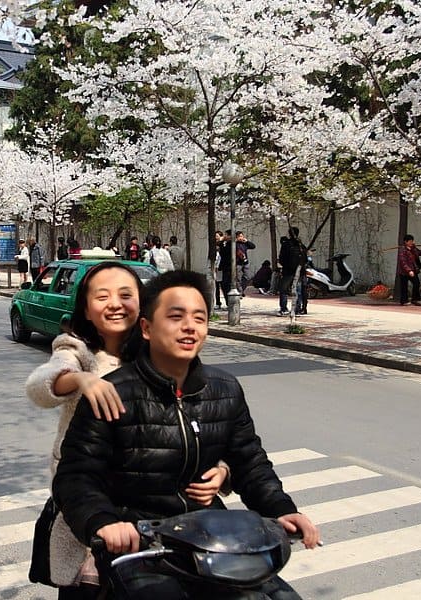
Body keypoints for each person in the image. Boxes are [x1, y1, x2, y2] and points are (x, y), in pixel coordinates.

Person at [53, 270, 320, 599]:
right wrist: (103, 521)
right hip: (139, 545)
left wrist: (281, 509)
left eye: (199, 317)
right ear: (147, 328)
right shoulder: (114, 392)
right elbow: (76, 475)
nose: (190, 326)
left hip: (209, 540)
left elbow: (250, 462)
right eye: (176, 316)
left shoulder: (225, 389)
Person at [27, 263, 229, 598]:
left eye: (126, 295)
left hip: (152, 511)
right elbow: (40, 385)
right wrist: (81, 379)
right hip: (91, 506)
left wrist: (222, 470)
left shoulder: (160, 354)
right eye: (102, 296)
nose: (115, 304)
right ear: (86, 309)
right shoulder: (77, 351)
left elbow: (201, 423)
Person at [277, 227, 306, 316]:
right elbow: (305, 258)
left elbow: (281, 258)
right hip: (299, 271)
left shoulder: (286, 244)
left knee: (283, 290)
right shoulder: (301, 244)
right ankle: (297, 309)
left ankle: (284, 308)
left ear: (289, 234)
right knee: (298, 291)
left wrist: (286, 266)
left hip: (288, 272)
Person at [397, 234, 421, 306]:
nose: (411, 242)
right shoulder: (402, 250)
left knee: (417, 283)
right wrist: (409, 270)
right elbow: (403, 262)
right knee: (404, 286)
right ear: (406, 242)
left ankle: (414, 299)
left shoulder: (413, 249)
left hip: (413, 269)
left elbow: (420, 253)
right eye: (410, 241)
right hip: (404, 272)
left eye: (412, 241)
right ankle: (404, 301)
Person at [213, 231, 225, 309]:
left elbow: (220, 257)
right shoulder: (214, 245)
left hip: (220, 268)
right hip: (216, 267)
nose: (215, 237)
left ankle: (227, 302)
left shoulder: (223, 244)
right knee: (216, 286)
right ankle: (218, 302)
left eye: (217, 236)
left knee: (223, 286)